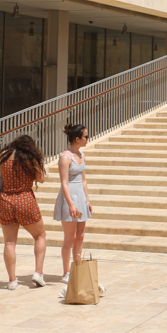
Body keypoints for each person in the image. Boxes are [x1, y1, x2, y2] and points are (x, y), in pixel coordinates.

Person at [0, 134, 48, 289]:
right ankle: (38, 273)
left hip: (5, 199)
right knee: (40, 236)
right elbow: (41, 178)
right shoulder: (29, 158)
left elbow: (1, 176)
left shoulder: (3, 155)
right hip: (25, 199)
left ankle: (12, 280)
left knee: (10, 242)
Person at [54, 122, 92, 284]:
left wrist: (87, 199)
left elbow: (83, 180)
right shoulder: (65, 157)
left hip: (80, 198)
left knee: (80, 236)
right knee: (70, 238)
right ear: (77, 139)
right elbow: (64, 183)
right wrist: (70, 204)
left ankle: (77, 266)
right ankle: (66, 272)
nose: (87, 139)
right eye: (85, 136)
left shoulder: (82, 155)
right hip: (69, 198)